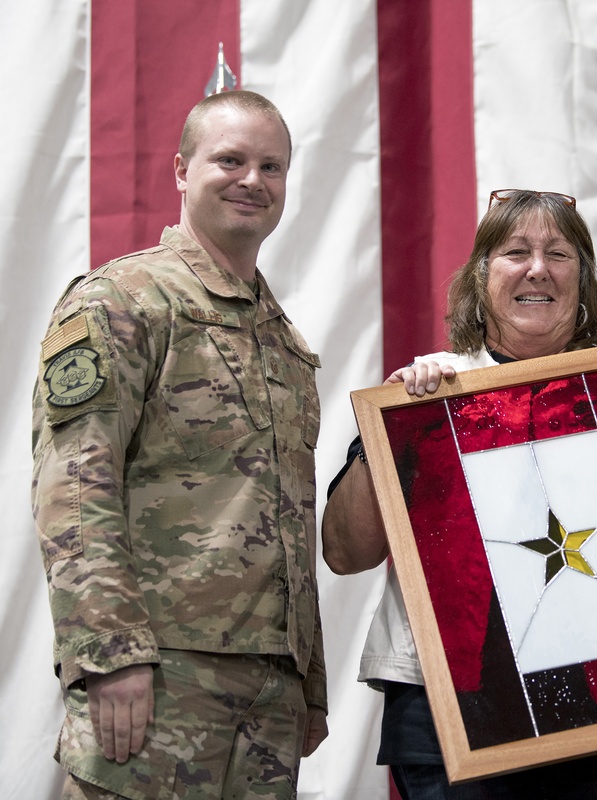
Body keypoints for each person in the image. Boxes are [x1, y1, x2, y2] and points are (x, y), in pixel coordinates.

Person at [323, 189, 597, 799]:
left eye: (558, 254)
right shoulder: (422, 395)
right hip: (451, 712)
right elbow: (347, 554)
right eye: (515, 252)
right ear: (481, 280)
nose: (537, 268)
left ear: (582, 281)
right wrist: (396, 430)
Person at [32, 90, 327, 799]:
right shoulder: (123, 301)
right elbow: (74, 485)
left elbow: (286, 515)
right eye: (229, 159)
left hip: (266, 703)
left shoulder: (282, 339)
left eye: (271, 166)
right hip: (156, 684)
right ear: (181, 171)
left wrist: (307, 682)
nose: (252, 180)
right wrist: (108, 655)